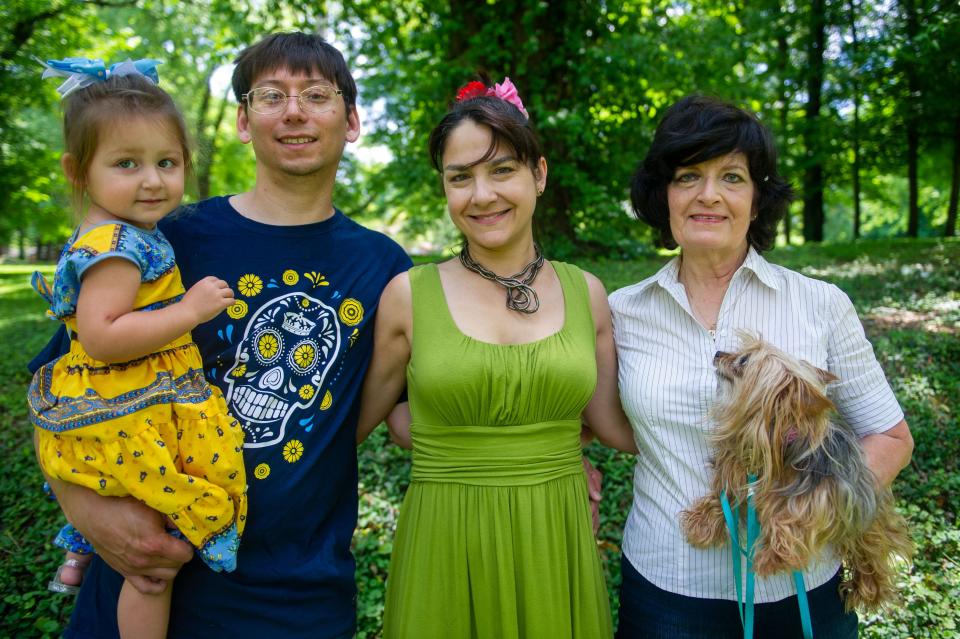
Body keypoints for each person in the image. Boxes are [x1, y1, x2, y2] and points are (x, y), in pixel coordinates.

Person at [42, 33, 411, 638]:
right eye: (271, 95)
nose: (294, 111)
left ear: (352, 121)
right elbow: (63, 385)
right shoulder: (165, 235)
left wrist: (550, 451)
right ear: (243, 120)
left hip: (295, 595)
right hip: (149, 574)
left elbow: (413, 414)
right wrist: (88, 510)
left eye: (317, 95)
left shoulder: (386, 268)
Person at [608, 94, 914, 638]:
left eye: (731, 177)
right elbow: (578, 419)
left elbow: (890, 437)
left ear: (757, 197)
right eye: (687, 177)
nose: (708, 195)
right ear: (663, 195)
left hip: (802, 588)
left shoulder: (820, 304)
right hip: (665, 592)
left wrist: (807, 513)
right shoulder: (620, 313)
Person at [356, 77, 638, 638]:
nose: (481, 195)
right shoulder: (408, 297)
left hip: (555, 538)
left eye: (502, 169)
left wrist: (732, 427)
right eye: (460, 177)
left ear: (539, 173)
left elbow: (616, 427)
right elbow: (356, 423)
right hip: (445, 540)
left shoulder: (588, 294)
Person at [29, 59, 247, 639]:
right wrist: (189, 311)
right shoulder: (120, 246)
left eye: (166, 163)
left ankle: (76, 558)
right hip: (126, 398)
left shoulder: (125, 233)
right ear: (78, 171)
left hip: (125, 396)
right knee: (152, 564)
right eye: (127, 164)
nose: (152, 181)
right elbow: (102, 338)